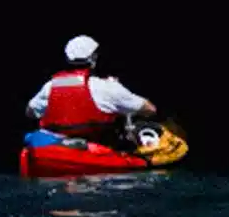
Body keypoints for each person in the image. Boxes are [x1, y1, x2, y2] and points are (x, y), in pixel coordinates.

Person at [27, 35, 157, 148]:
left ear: (67, 59)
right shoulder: (108, 87)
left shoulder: (50, 86)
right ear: (94, 59)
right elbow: (150, 109)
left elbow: (30, 112)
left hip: (57, 146)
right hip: (96, 148)